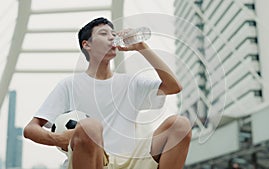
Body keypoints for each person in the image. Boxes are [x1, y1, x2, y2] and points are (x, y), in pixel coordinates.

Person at [23, 17, 192, 169]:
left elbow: (173, 87)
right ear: (86, 44)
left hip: (130, 161)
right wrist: (60, 139)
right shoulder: (70, 85)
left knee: (180, 124)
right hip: (94, 160)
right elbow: (31, 129)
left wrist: (141, 47)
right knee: (90, 126)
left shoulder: (130, 83)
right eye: (103, 33)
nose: (112, 37)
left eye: (113, 33)